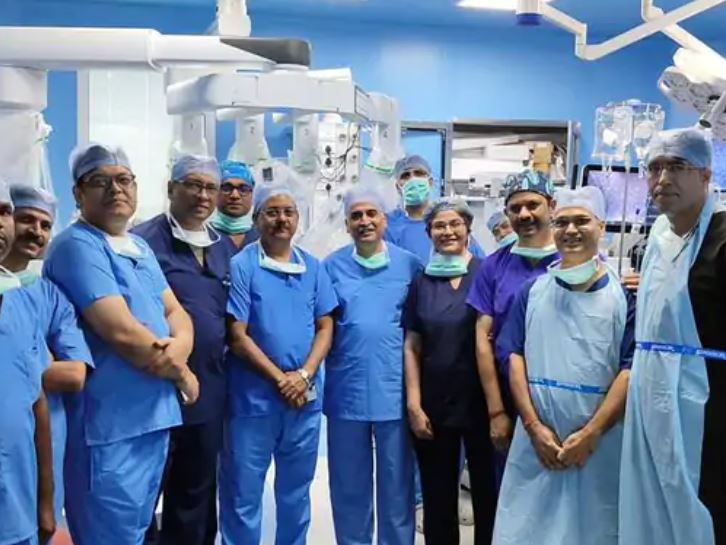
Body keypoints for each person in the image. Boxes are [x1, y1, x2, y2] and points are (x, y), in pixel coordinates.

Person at [42, 143, 199, 545]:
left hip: (152, 418)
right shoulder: (77, 246)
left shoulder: (137, 247)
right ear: (78, 193)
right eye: (100, 181)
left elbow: (176, 312)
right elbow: (122, 333)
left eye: (124, 179)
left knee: (136, 530)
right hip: (109, 425)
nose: (116, 189)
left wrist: (181, 348)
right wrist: (183, 375)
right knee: (108, 534)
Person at [492, 186, 635, 545]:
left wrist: (591, 434)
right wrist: (533, 427)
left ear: (601, 227)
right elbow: (513, 356)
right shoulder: (532, 292)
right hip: (537, 442)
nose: (571, 230)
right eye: (562, 222)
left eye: (582, 221)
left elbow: (630, 368)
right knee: (527, 531)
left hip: (600, 444)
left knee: (593, 532)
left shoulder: (623, 298)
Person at [620, 128, 726, 545]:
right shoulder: (660, 238)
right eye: (655, 167)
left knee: (703, 502)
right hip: (653, 394)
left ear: (705, 175)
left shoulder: (721, 239)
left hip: (709, 402)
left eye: (677, 166)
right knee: (652, 501)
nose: (662, 178)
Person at [220, 182, 338, 545]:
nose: (281, 219)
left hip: (303, 400)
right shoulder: (242, 265)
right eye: (272, 212)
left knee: (295, 493)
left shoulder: (313, 268)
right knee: (242, 493)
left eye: (288, 212)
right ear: (257, 219)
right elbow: (237, 335)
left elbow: (326, 326)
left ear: (298, 219)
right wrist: (281, 379)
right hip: (253, 401)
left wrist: (304, 375)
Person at [134, 155, 233, 545]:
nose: (203, 195)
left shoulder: (222, 247)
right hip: (154, 385)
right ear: (171, 188)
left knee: (196, 492)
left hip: (208, 388)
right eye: (193, 185)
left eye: (210, 187)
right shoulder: (142, 243)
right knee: (143, 492)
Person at [323, 185, 420, 545]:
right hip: (346, 391)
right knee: (348, 484)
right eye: (356, 216)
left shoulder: (410, 265)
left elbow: (420, 329)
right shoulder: (331, 267)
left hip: (394, 391)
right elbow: (321, 325)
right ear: (347, 224)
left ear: (384, 219)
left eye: (371, 214)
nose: (364, 221)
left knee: (397, 484)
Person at [404, 199, 498, 545]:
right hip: (435, 402)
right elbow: (412, 345)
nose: (447, 231)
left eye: (455, 224)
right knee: (437, 495)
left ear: (468, 228)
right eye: (439, 226)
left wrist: (499, 410)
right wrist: (414, 404)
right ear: (429, 233)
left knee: (488, 492)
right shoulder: (422, 281)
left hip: (484, 403)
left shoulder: (488, 273)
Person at [2, 184, 94, 534]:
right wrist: (40, 362)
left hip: (42, 443)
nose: (36, 232)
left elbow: (74, 374)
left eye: (45, 225)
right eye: (26, 219)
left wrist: (14, 370)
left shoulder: (52, 298)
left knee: (38, 526)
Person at [466, 170, 559, 464]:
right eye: (515, 208)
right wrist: (496, 411)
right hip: (508, 395)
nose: (524, 214)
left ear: (551, 206)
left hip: (563, 389)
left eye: (533, 205)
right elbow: (482, 339)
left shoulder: (573, 260)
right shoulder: (494, 266)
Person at [0, 178, 55, 545]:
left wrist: (46, 501)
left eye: (4, 212)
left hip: (16, 507)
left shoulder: (21, 303)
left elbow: (37, 402)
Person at [385, 155, 485, 264]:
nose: (413, 179)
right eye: (405, 176)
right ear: (398, 187)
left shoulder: (449, 221)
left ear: (430, 182)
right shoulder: (388, 225)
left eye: (419, 173)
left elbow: (481, 264)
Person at [211, 160, 259, 251]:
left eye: (243, 189)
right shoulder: (204, 237)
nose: (235, 195)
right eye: (226, 188)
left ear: (252, 194)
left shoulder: (264, 238)